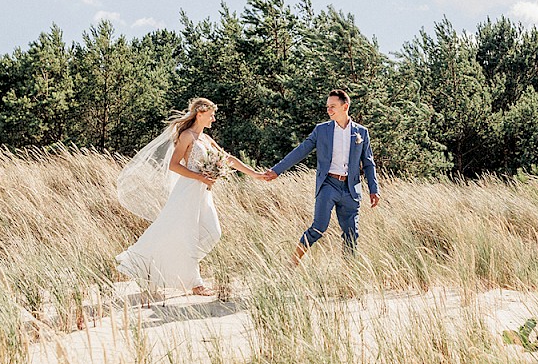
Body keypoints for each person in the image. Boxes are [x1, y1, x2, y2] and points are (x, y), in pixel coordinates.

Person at [115, 98, 266, 296]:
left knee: (213, 232)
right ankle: (195, 284)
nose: (213, 118)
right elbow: (174, 164)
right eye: (211, 114)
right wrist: (199, 177)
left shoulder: (206, 139)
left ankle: (169, 269)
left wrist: (254, 174)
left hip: (203, 192)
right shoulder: (187, 136)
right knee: (185, 236)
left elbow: (227, 159)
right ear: (200, 114)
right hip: (187, 191)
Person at [263, 89, 380, 265]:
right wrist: (277, 170)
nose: (329, 110)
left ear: (345, 106)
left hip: (351, 189)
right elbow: (301, 151)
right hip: (328, 185)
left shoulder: (361, 133)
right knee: (318, 228)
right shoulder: (322, 130)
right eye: (327, 107)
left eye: (333, 106)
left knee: (351, 234)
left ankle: (349, 276)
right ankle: (291, 263)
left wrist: (374, 189)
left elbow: (369, 163)